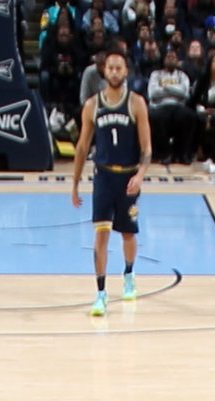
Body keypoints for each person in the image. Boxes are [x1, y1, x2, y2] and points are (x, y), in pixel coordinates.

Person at [76, 49, 151, 317]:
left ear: (126, 71)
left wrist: (140, 175)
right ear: (104, 72)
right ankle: (100, 293)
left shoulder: (137, 103)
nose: (115, 72)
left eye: (119, 68)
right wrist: (74, 185)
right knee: (101, 235)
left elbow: (147, 148)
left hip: (128, 175)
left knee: (129, 233)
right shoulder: (92, 105)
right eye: (111, 68)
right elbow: (83, 146)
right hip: (103, 176)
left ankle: (129, 274)